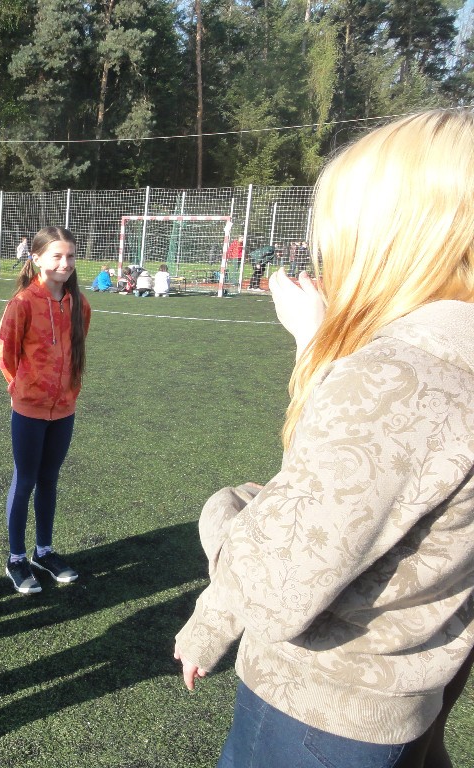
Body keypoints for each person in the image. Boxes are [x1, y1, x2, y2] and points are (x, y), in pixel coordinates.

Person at [173, 108, 474, 768]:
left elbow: (276, 582)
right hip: (411, 695)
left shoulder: (397, 380)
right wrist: (319, 345)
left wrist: (226, 509)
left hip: (320, 709)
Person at [0, 227, 91, 594]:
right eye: (57, 256)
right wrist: (23, 389)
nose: (65, 263)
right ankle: (16, 558)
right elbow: (6, 356)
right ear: (36, 258)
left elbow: (77, 350)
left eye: (70, 256)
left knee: (50, 479)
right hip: (29, 410)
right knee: (25, 480)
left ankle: (44, 551)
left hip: (64, 409)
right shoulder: (22, 303)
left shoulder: (80, 304)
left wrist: (69, 390)